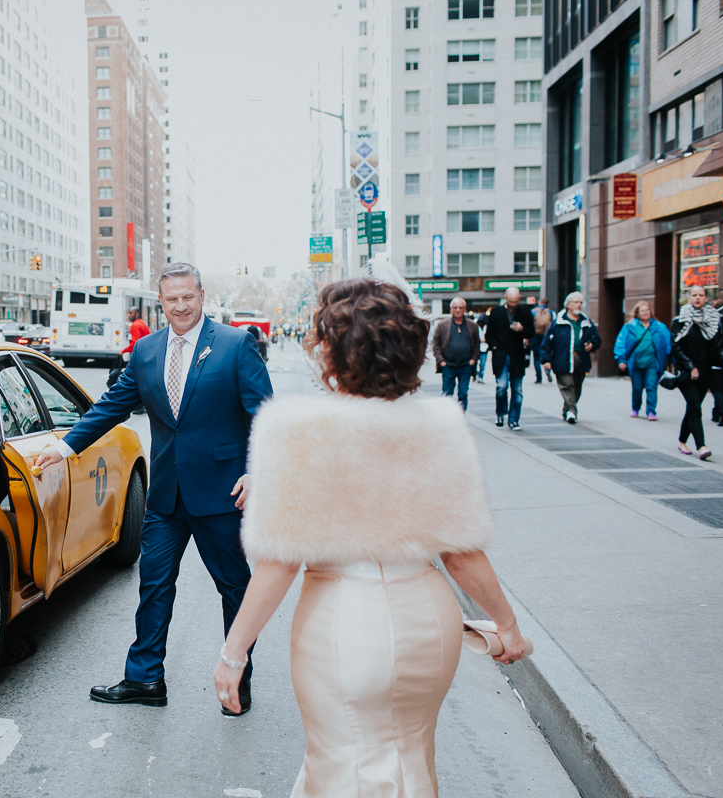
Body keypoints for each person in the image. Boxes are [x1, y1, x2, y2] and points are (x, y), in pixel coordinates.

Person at [213, 278, 526, 797]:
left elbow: (279, 563)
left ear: (330, 355)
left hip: (343, 624)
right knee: (411, 758)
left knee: (342, 762)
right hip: (429, 621)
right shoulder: (440, 427)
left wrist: (234, 653)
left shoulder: (295, 431)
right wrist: (508, 625)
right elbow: (462, 554)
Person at [34, 262, 273, 713]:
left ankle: (237, 679)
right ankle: (145, 680)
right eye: (171, 299)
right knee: (155, 585)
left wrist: (257, 469)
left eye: (188, 297)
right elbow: (112, 406)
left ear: (202, 296)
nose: (181, 306)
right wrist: (66, 446)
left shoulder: (235, 345)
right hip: (166, 495)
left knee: (234, 588)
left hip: (222, 493)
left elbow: (266, 415)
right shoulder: (145, 351)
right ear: (159, 302)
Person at [671, 287, 723, 459]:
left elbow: (720, 348)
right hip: (687, 373)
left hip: (706, 373)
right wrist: (691, 367)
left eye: (701, 295)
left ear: (706, 298)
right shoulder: (680, 320)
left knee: (692, 408)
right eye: (694, 295)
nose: (697, 298)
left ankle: (682, 441)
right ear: (689, 298)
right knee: (695, 408)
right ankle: (702, 446)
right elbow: (675, 347)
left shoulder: (714, 320)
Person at [541, 291, 601, 424]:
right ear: (567, 305)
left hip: (581, 359)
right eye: (576, 302)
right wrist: (545, 360)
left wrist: (592, 345)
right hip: (563, 359)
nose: (579, 305)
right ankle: (572, 412)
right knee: (567, 385)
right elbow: (546, 342)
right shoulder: (558, 322)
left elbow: (596, 338)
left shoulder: (586, 321)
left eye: (580, 302)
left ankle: (567, 410)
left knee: (577, 388)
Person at [485, 287, 535, 430]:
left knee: (517, 390)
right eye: (511, 301)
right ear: (505, 297)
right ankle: (500, 413)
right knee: (501, 387)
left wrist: (522, 329)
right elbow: (489, 334)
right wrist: (494, 346)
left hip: (517, 355)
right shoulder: (496, 312)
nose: (513, 304)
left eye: (516, 301)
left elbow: (532, 333)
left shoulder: (525, 312)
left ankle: (514, 419)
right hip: (501, 354)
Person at [613, 301, 670, 420]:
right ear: (637, 313)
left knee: (651, 386)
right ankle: (635, 408)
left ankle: (651, 411)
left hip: (652, 363)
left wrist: (672, 360)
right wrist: (621, 360)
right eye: (642, 311)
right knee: (637, 387)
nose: (645, 313)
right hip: (635, 363)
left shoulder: (659, 327)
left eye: (647, 310)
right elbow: (620, 343)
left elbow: (668, 344)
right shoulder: (630, 326)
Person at [431, 297, 479, 410]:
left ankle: (461, 417)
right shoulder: (443, 325)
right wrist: (441, 361)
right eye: (455, 307)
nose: (458, 310)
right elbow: (436, 344)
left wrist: (473, 360)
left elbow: (477, 345)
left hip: (465, 366)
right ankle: (448, 418)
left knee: (463, 393)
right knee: (447, 394)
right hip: (448, 366)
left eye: (461, 307)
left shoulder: (472, 326)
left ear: (465, 310)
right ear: (451, 309)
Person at [532, 298, 552, 384]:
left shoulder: (533, 311)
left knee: (536, 357)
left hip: (536, 336)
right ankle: (547, 370)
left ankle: (538, 377)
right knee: (546, 355)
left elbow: (530, 324)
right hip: (546, 336)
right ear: (547, 304)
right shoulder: (551, 312)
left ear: (539, 302)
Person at [474, 308, 490, 383]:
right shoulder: (475, 327)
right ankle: (475, 374)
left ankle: (480, 376)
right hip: (476, 348)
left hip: (484, 348)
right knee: (475, 362)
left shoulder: (487, 327)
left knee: (482, 363)